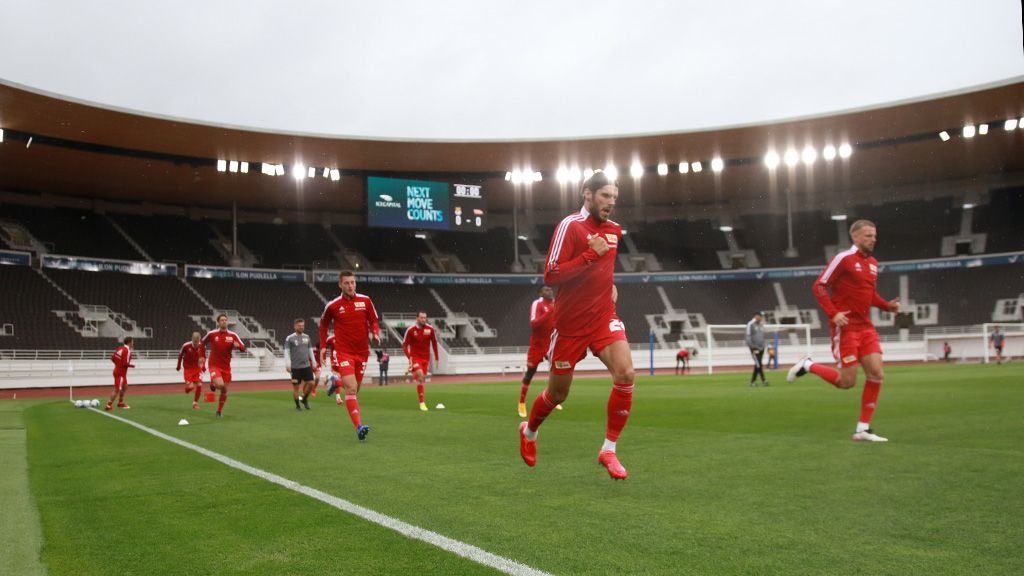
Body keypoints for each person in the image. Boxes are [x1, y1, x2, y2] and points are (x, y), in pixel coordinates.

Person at [518, 170, 634, 480]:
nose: (610, 203)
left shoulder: (614, 230)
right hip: (569, 326)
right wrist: (587, 256)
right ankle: (529, 432)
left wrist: (610, 285)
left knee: (626, 374)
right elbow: (551, 276)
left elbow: (603, 268)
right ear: (587, 194)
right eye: (605, 196)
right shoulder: (569, 227)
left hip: (602, 318)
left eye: (614, 198)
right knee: (558, 395)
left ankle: (608, 449)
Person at [787, 220, 900, 442]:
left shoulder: (874, 264)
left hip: (866, 327)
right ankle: (808, 365)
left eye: (874, 235)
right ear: (855, 237)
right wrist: (833, 313)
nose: (873, 239)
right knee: (847, 382)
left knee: (877, 373)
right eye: (868, 235)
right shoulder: (844, 259)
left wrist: (887, 306)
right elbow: (819, 285)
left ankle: (862, 429)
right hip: (846, 328)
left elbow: (869, 295)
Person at [320, 270, 379, 441]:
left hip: (362, 352)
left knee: (355, 389)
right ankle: (359, 427)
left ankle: (336, 382)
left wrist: (375, 333)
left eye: (352, 282)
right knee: (351, 389)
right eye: (346, 283)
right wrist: (323, 346)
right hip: (343, 351)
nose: (350, 285)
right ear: (340, 285)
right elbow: (323, 324)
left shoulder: (365, 300)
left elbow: (374, 320)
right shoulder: (333, 305)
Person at [519, 285, 558, 417]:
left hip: (550, 344)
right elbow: (534, 324)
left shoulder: (555, 304)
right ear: (540, 293)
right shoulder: (538, 304)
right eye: (546, 290)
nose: (550, 291)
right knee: (530, 373)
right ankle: (522, 402)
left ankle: (552, 399)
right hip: (537, 346)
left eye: (550, 289)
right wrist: (549, 312)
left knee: (556, 371)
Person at [202, 313, 246, 418]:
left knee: (224, 390)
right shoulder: (212, 334)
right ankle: (213, 382)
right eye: (222, 320)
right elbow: (201, 344)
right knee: (221, 385)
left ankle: (219, 411)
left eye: (225, 320)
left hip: (226, 367)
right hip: (214, 365)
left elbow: (244, 348)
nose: (224, 322)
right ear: (218, 322)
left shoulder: (233, 335)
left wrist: (239, 346)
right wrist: (201, 357)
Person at [403, 312, 440, 411]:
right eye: (422, 318)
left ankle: (413, 372)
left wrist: (437, 358)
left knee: (421, 378)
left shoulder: (430, 329)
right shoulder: (410, 330)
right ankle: (422, 403)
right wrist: (409, 357)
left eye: (425, 318)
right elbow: (404, 345)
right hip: (415, 357)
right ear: (417, 318)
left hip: (425, 358)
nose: (424, 319)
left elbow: (435, 344)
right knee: (420, 375)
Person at [284, 318, 318, 411]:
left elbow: (310, 350)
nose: (301, 327)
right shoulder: (289, 338)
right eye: (299, 326)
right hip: (295, 368)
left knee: (311, 383)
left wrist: (314, 362)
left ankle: (304, 398)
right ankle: (298, 406)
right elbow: (286, 352)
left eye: (303, 326)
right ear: (295, 326)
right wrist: (288, 365)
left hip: (306, 366)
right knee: (296, 388)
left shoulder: (307, 337)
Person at [176, 331, 206, 409]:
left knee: (199, 385)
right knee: (191, 387)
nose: (196, 343)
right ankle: (188, 388)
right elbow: (180, 356)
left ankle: (195, 403)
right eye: (195, 341)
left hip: (197, 369)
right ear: (192, 339)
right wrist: (178, 366)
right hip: (188, 369)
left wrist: (203, 366)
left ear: (199, 340)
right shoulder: (186, 346)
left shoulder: (202, 346)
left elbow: (203, 357)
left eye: (198, 341)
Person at [105, 337, 135, 411]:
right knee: (117, 389)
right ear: (129, 342)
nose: (133, 343)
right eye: (132, 342)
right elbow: (125, 363)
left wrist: (118, 365)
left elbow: (112, 358)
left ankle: (120, 402)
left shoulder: (120, 348)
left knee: (125, 387)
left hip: (118, 371)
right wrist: (132, 365)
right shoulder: (127, 351)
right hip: (121, 373)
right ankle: (108, 406)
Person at [745, 312, 768, 387]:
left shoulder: (761, 325)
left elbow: (762, 336)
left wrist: (763, 345)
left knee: (758, 365)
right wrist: (752, 347)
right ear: (756, 316)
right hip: (754, 348)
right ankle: (763, 380)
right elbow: (748, 337)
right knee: (758, 365)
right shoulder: (750, 324)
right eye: (761, 316)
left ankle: (753, 382)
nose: (761, 318)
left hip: (761, 348)